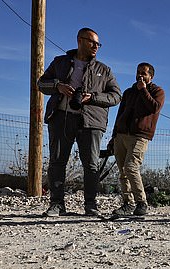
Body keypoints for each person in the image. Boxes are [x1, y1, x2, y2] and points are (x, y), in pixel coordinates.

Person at [38, 27, 121, 217]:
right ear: (80, 40)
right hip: (61, 118)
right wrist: (58, 86)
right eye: (92, 42)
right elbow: (41, 83)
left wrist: (92, 97)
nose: (96, 46)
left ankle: (91, 205)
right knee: (57, 162)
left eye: (98, 44)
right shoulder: (59, 62)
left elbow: (116, 96)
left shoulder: (104, 70)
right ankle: (56, 205)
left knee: (91, 164)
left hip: (92, 122)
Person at [109, 62, 165, 216]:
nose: (140, 75)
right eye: (138, 72)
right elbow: (120, 114)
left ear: (150, 77)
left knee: (131, 167)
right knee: (122, 171)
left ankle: (141, 202)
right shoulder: (128, 93)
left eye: (144, 73)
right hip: (121, 135)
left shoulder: (157, 91)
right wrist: (113, 137)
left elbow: (154, 108)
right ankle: (128, 204)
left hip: (140, 136)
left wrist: (143, 91)